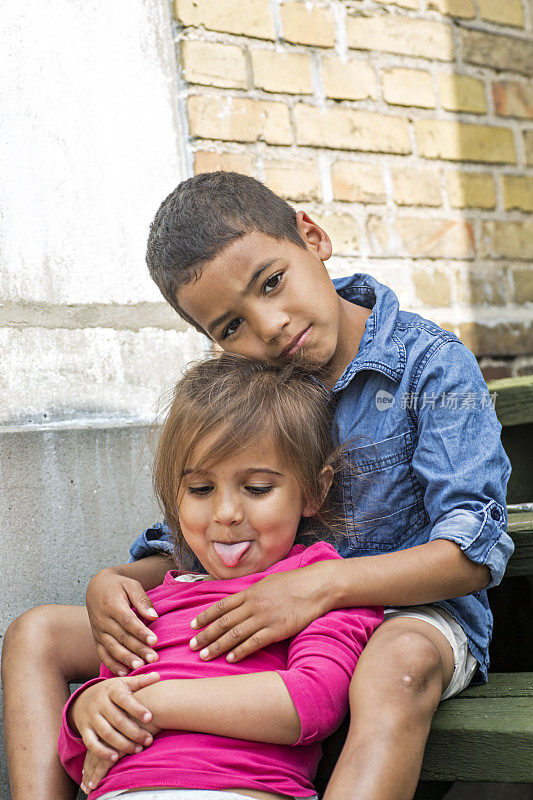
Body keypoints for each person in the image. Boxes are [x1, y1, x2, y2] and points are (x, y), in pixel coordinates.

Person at [2, 171, 512, 800]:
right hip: (253, 608)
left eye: (272, 283)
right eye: (230, 327)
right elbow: (190, 539)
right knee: (38, 633)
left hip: (402, 613)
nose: (268, 326)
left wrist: (316, 587)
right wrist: (114, 583)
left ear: (312, 236)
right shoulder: (248, 390)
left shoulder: (431, 366)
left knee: (396, 666)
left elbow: (471, 553)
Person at [57, 354, 382, 800]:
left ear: (314, 490)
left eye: (257, 489)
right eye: (201, 489)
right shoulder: (156, 598)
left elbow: (313, 702)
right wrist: (85, 712)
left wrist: (152, 704)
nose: (226, 514)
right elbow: (91, 744)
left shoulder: (317, 585)